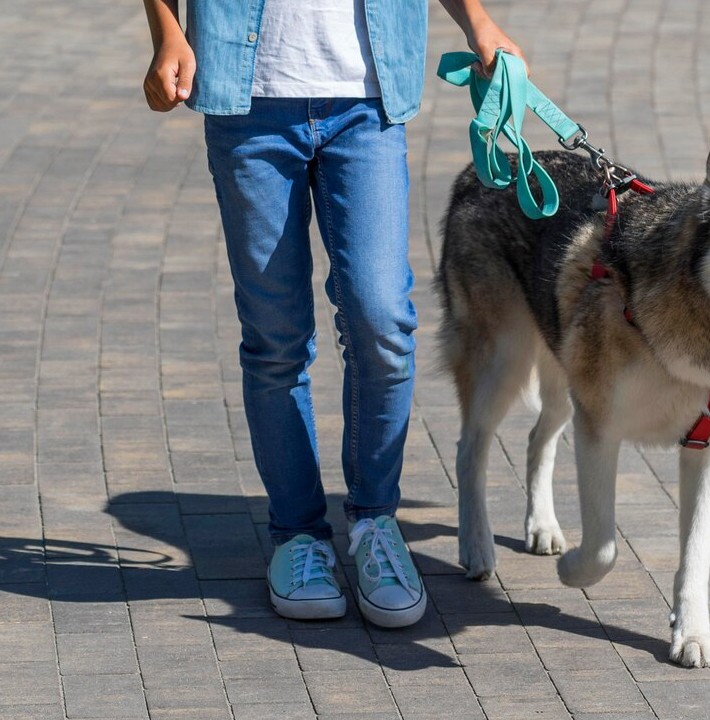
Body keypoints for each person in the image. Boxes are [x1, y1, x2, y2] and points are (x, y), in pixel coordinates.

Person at [141, 0, 524, 628]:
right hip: (250, 98)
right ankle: (298, 537)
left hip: (365, 99)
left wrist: (477, 22)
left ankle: (375, 523)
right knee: (276, 337)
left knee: (383, 324)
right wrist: (166, 29)